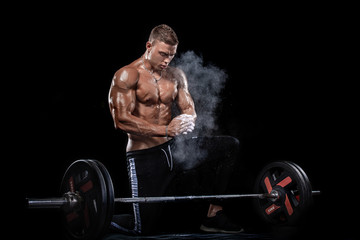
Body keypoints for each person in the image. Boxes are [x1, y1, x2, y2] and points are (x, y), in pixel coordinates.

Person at [108, 24, 243, 235]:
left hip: (175, 149)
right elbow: (121, 120)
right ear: (149, 46)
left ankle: (213, 212)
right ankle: (97, 215)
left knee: (228, 146)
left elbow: (189, 108)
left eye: (171, 55)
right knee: (143, 228)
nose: (166, 60)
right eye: (162, 54)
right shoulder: (127, 75)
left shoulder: (175, 75)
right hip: (145, 156)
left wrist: (188, 120)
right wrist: (165, 130)